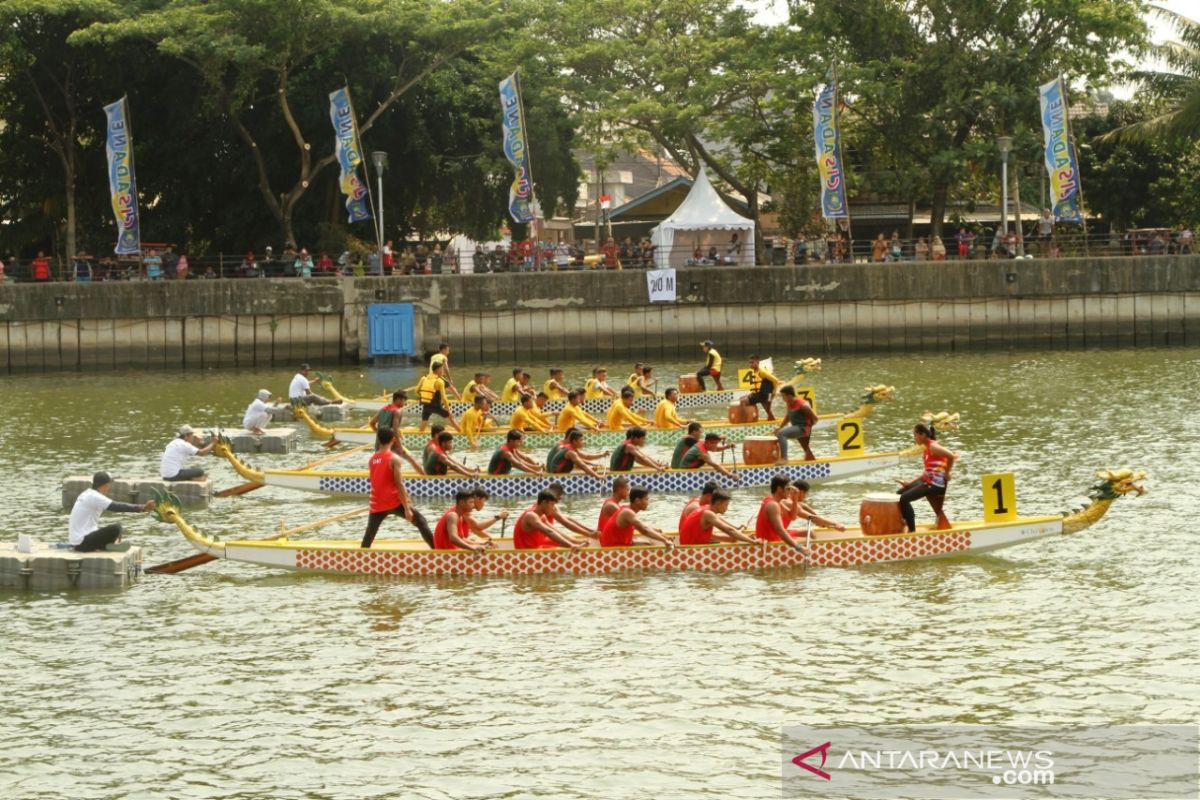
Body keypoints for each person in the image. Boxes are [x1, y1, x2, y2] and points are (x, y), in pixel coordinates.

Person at [361, 428, 434, 548]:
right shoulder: (394, 458)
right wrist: (406, 508)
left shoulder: (372, 460)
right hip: (394, 502)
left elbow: (376, 481)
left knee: (369, 536)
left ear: (378, 440)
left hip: (376, 504)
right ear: (393, 440)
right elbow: (399, 483)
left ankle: (360, 559)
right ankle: (437, 552)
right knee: (421, 521)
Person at [68, 472, 155, 552]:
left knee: (114, 528)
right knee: (116, 528)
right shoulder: (95, 497)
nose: (109, 487)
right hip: (82, 543)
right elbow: (117, 506)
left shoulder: (87, 493)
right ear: (104, 485)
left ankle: (106, 545)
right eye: (108, 484)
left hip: (77, 541)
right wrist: (143, 507)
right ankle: (108, 545)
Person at [897, 422, 958, 532]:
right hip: (927, 481)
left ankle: (912, 532)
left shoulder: (933, 446)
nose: (915, 438)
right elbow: (926, 472)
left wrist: (947, 473)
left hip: (935, 485)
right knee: (899, 494)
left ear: (923, 435)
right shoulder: (926, 449)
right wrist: (909, 483)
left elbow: (951, 456)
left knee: (904, 499)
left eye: (915, 435)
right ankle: (902, 522)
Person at [599, 487, 673, 548]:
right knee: (650, 544)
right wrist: (664, 540)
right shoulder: (627, 512)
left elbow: (642, 527)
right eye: (646, 499)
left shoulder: (627, 509)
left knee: (649, 542)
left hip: (615, 545)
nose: (648, 502)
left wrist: (662, 535)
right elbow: (645, 530)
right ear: (637, 501)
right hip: (612, 551)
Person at [754, 475, 811, 552]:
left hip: (771, 540)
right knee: (808, 536)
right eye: (788, 489)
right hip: (770, 545)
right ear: (779, 489)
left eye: (791, 489)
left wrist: (795, 500)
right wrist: (798, 547)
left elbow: (792, 517)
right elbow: (780, 530)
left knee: (809, 533)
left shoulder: (775, 501)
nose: (790, 491)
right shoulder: (773, 505)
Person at [513, 491, 587, 550]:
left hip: (537, 550)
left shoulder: (542, 516)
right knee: (561, 546)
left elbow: (555, 531)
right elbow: (549, 532)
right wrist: (571, 545)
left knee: (560, 543)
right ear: (543, 503)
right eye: (552, 505)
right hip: (526, 555)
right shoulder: (531, 516)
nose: (553, 508)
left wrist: (575, 542)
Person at [678, 489, 756, 545]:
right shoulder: (708, 514)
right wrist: (753, 542)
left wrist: (740, 531)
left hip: (691, 545)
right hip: (691, 551)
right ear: (718, 503)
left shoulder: (707, 507)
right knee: (733, 538)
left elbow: (730, 532)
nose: (727, 508)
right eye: (726, 505)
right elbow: (730, 530)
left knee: (732, 539)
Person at [775, 385, 819, 463]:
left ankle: (784, 459)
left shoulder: (803, 405)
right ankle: (811, 463)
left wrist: (808, 429)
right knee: (808, 453)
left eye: (783, 396)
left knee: (781, 434)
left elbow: (815, 418)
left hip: (803, 428)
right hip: (797, 427)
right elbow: (788, 416)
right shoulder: (789, 403)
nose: (782, 398)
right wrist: (780, 427)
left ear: (789, 395)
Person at [416, 363, 460, 432]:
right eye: (442, 369)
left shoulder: (424, 378)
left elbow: (417, 390)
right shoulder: (440, 381)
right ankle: (461, 433)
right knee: (451, 417)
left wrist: (423, 396)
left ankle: (419, 436)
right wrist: (448, 409)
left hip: (426, 405)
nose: (443, 371)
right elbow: (444, 398)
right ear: (438, 370)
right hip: (436, 406)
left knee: (424, 422)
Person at [740, 354, 782, 420]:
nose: (750, 364)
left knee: (743, 401)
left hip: (761, 394)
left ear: (757, 362)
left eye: (752, 362)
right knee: (765, 406)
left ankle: (745, 419)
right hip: (760, 393)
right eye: (749, 362)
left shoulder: (762, 372)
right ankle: (770, 417)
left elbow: (776, 381)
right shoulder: (754, 371)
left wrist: (772, 395)